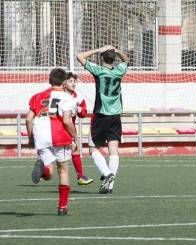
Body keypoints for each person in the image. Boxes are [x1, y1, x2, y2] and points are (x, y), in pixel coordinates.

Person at [76, 45, 128, 194]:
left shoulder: (99, 71)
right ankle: (109, 185)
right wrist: (118, 51)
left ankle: (107, 174)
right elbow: (127, 60)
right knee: (114, 150)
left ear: (101, 58)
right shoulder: (120, 71)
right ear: (114, 59)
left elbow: (80, 56)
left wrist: (98, 49)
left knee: (93, 149)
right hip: (115, 116)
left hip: (101, 115)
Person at [26, 68, 77, 215]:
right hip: (59, 134)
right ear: (65, 82)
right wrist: (75, 137)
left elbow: (29, 118)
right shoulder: (68, 98)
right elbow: (67, 121)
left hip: (40, 133)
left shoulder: (37, 96)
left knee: (49, 174)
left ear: (50, 80)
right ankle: (62, 207)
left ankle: (44, 168)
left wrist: (31, 138)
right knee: (63, 170)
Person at [64, 72, 94, 185]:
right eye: (70, 81)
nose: (73, 83)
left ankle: (80, 176)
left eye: (74, 81)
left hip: (70, 128)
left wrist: (81, 111)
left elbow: (84, 113)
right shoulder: (59, 96)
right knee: (55, 151)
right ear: (64, 83)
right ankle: (43, 167)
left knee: (75, 149)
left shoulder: (78, 97)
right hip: (58, 127)